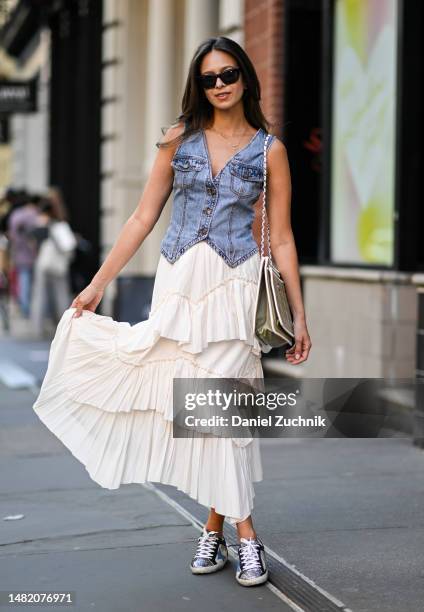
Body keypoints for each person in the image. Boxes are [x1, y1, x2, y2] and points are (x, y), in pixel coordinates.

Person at [32, 36, 312, 587]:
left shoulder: (269, 149)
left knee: (218, 412)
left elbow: (281, 238)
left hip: (234, 290)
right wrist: (95, 285)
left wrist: (300, 316)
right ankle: (226, 530)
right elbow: (141, 218)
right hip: (179, 287)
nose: (220, 86)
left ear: (246, 78)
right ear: (198, 85)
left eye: (228, 74)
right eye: (208, 79)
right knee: (206, 419)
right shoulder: (177, 139)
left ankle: (239, 535)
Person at [30, 194, 77, 337]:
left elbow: (34, 239)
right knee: (61, 294)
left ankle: (37, 327)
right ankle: (64, 326)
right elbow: (69, 245)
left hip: (44, 262)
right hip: (59, 264)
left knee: (40, 295)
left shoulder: (43, 221)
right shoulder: (62, 220)